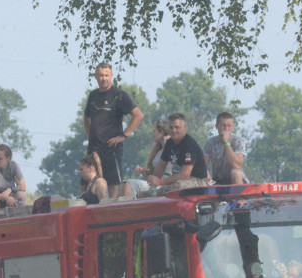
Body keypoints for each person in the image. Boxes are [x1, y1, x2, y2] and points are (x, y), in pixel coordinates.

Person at [83, 62, 144, 197]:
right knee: (88, 182)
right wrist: (90, 135)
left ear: (111, 76)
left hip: (111, 149)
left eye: (106, 75)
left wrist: (124, 135)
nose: (103, 78)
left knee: (111, 184)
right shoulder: (93, 95)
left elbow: (138, 115)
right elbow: (86, 116)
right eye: (101, 75)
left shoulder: (119, 95)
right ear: (96, 77)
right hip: (94, 148)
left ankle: (109, 210)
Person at [146, 113, 209, 192]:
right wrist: (153, 180)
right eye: (171, 127)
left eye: (177, 127)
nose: (173, 130)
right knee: (149, 193)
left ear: (185, 128)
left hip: (197, 181)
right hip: (178, 180)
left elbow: (185, 175)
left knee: (175, 187)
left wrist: (160, 182)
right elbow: (161, 165)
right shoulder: (169, 143)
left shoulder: (189, 144)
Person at [203, 112, 247, 185]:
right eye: (223, 126)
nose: (226, 129)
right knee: (202, 175)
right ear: (216, 126)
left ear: (233, 127)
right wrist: (206, 173)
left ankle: (238, 196)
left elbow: (236, 165)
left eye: (229, 126)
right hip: (216, 180)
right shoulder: (211, 142)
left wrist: (226, 142)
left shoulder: (238, 141)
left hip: (235, 180)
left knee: (236, 173)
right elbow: (203, 164)